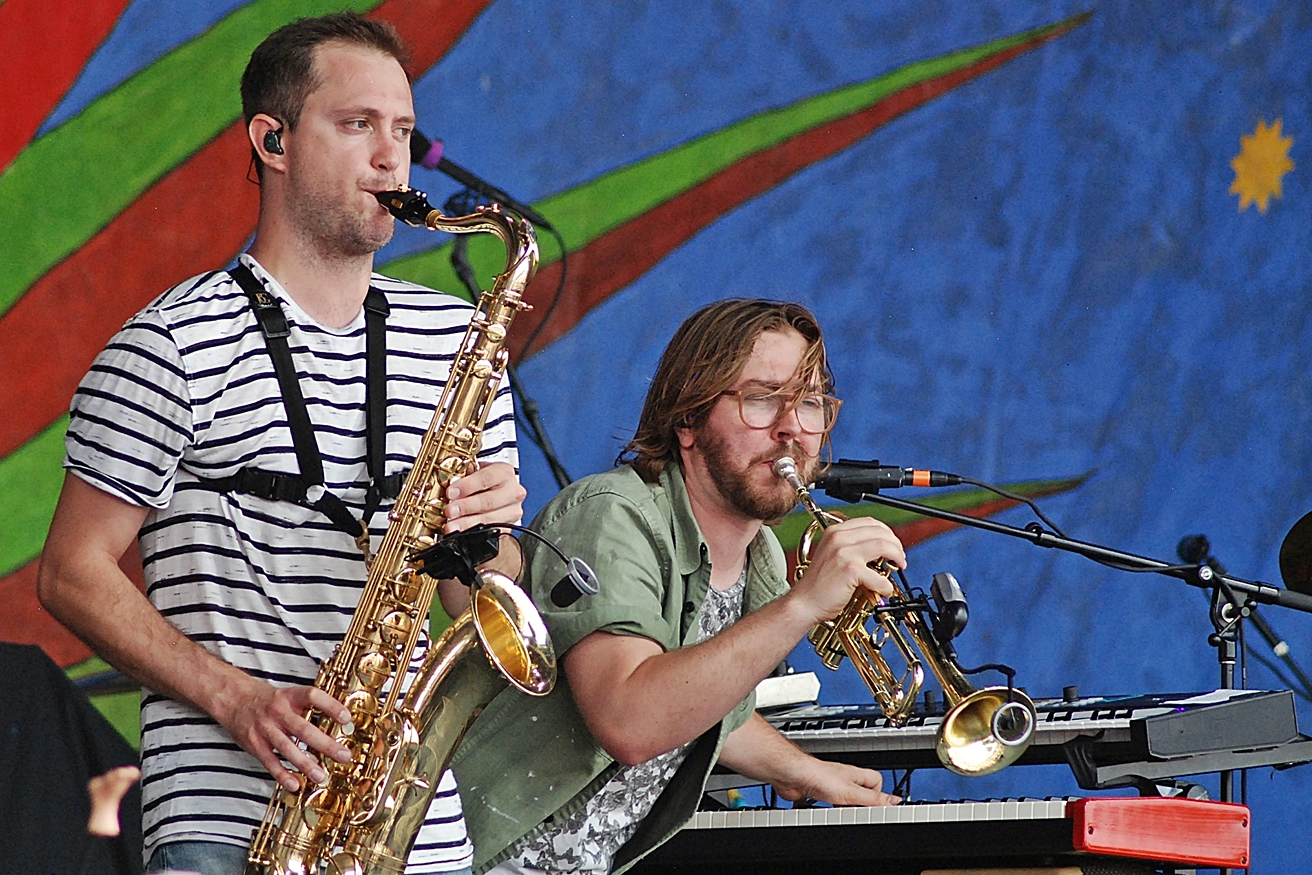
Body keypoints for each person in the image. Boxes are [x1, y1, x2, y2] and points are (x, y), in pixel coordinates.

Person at [37, 13, 524, 875]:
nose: (391, 158)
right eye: (357, 124)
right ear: (273, 141)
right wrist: (238, 700)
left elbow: (475, 604)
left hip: (410, 830)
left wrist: (486, 546)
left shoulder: (456, 339)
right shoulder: (170, 343)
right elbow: (71, 572)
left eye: (403, 130)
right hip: (227, 825)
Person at [451, 299, 906, 875]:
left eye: (810, 403)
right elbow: (630, 721)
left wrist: (803, 771)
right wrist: (801, 606)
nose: (792, 428)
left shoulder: (760, 553)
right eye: (762, 399)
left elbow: (703, 699)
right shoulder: (615, 515)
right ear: (688, 420)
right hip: (474, 858)